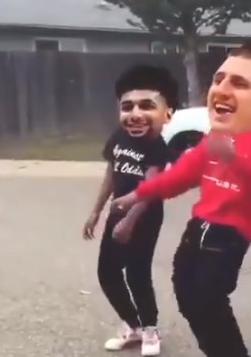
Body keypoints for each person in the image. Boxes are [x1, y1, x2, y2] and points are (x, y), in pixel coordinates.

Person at [111, 43, 251, 357]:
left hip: (228, 235)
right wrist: (138, 194)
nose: (222, 89)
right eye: (219, 79)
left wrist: (235, 160)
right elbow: (181, 175)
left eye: (239, 83)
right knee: (186, 296)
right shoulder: (216, 136)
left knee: (209, 300)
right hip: (199, 227)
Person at [82, 65, 179, 356]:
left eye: (146, 106)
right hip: (118, 212)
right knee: (107, 272)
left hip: (145, 215)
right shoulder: (118, 137)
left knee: (137, 273)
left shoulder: (157, 146)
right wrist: (96, 211)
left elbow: (152, 188)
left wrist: (130, 222)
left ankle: (150, 329)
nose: (135, 114)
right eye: (127, 107)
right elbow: (112, 174)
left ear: (166, 113)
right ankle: (133, 325)